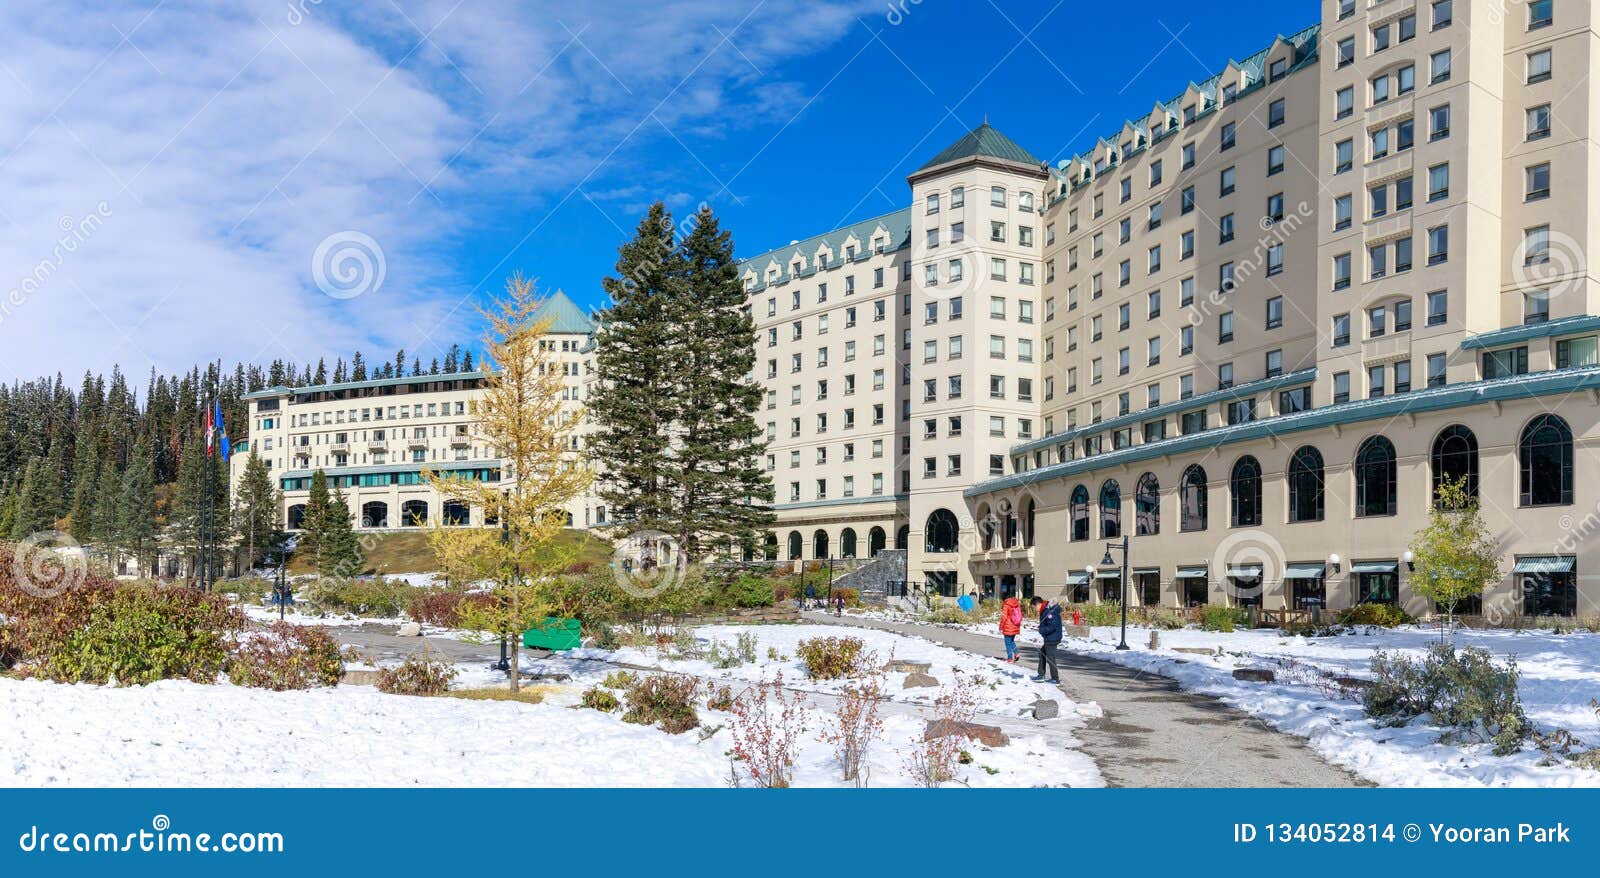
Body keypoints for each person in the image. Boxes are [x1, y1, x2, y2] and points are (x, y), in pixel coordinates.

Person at [1030, 595, 1062, 684]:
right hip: (1050, 637)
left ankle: (1055, 679)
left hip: (1052, 638)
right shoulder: (1045, 610)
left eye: (1034, 608)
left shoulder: (1049, 611)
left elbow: (1052, 626)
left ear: (1038, 604)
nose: (1034, 610)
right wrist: (1040, 628)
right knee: (1042, 654)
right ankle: (1041, 675)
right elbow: (1047, 624)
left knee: (1050, 658)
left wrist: (1040, 629)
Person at [999, 591, 1022, 663]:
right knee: (1011, 641)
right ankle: (1016, 653)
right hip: (1015, 625)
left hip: (1008, 626)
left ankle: (1010, 658)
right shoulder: (1016, 603)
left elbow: (1004, 617)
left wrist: (1001, 627)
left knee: (1007, 643)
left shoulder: (1006, 605)